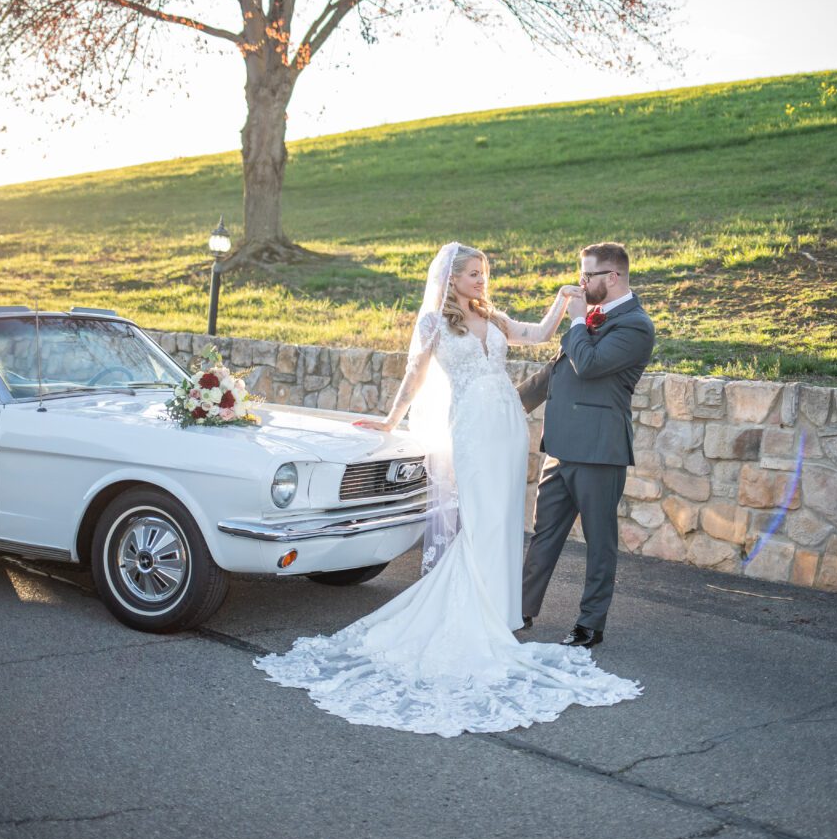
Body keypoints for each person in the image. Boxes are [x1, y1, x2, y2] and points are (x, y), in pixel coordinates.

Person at [253, 242, 641, 737]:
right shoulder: (434, 324)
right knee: (480, 517)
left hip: (507, 426)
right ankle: (476, 611)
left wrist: (564, 304)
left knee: (504, 519)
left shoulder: (492, 314)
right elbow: (415, 375)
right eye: (474, 274)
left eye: (484, 273)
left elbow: (538, 335)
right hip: (474, 427)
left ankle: (502, 611)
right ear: (451, 278)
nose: (482, 281)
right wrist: (389, 419)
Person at [518, 242, 655, 648]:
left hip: (599, 451)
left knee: (599, 541)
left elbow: (590, 365)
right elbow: (554, 374)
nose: (581, 283)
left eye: (587, 276)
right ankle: (520, 610)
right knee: (544, 534)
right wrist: (505, 405)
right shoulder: (590, 319)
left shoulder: (635, 326)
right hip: (560, 448)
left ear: (612, 277)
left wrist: (577, 322)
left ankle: (589, 624)